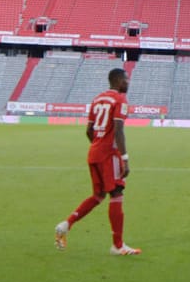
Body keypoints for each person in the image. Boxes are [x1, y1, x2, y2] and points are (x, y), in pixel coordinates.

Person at [55, 67, 139, 256]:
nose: (128, 83)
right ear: (118, 81)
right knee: (116, 193)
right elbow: (118, 130)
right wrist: (124, 158)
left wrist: (98, 145)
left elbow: (88, 131)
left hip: (94, 153)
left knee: (99, 195)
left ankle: (66, 224)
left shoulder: (97, 99)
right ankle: (117, 246)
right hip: (109, 154)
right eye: (126, 80)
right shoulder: (120, 99)